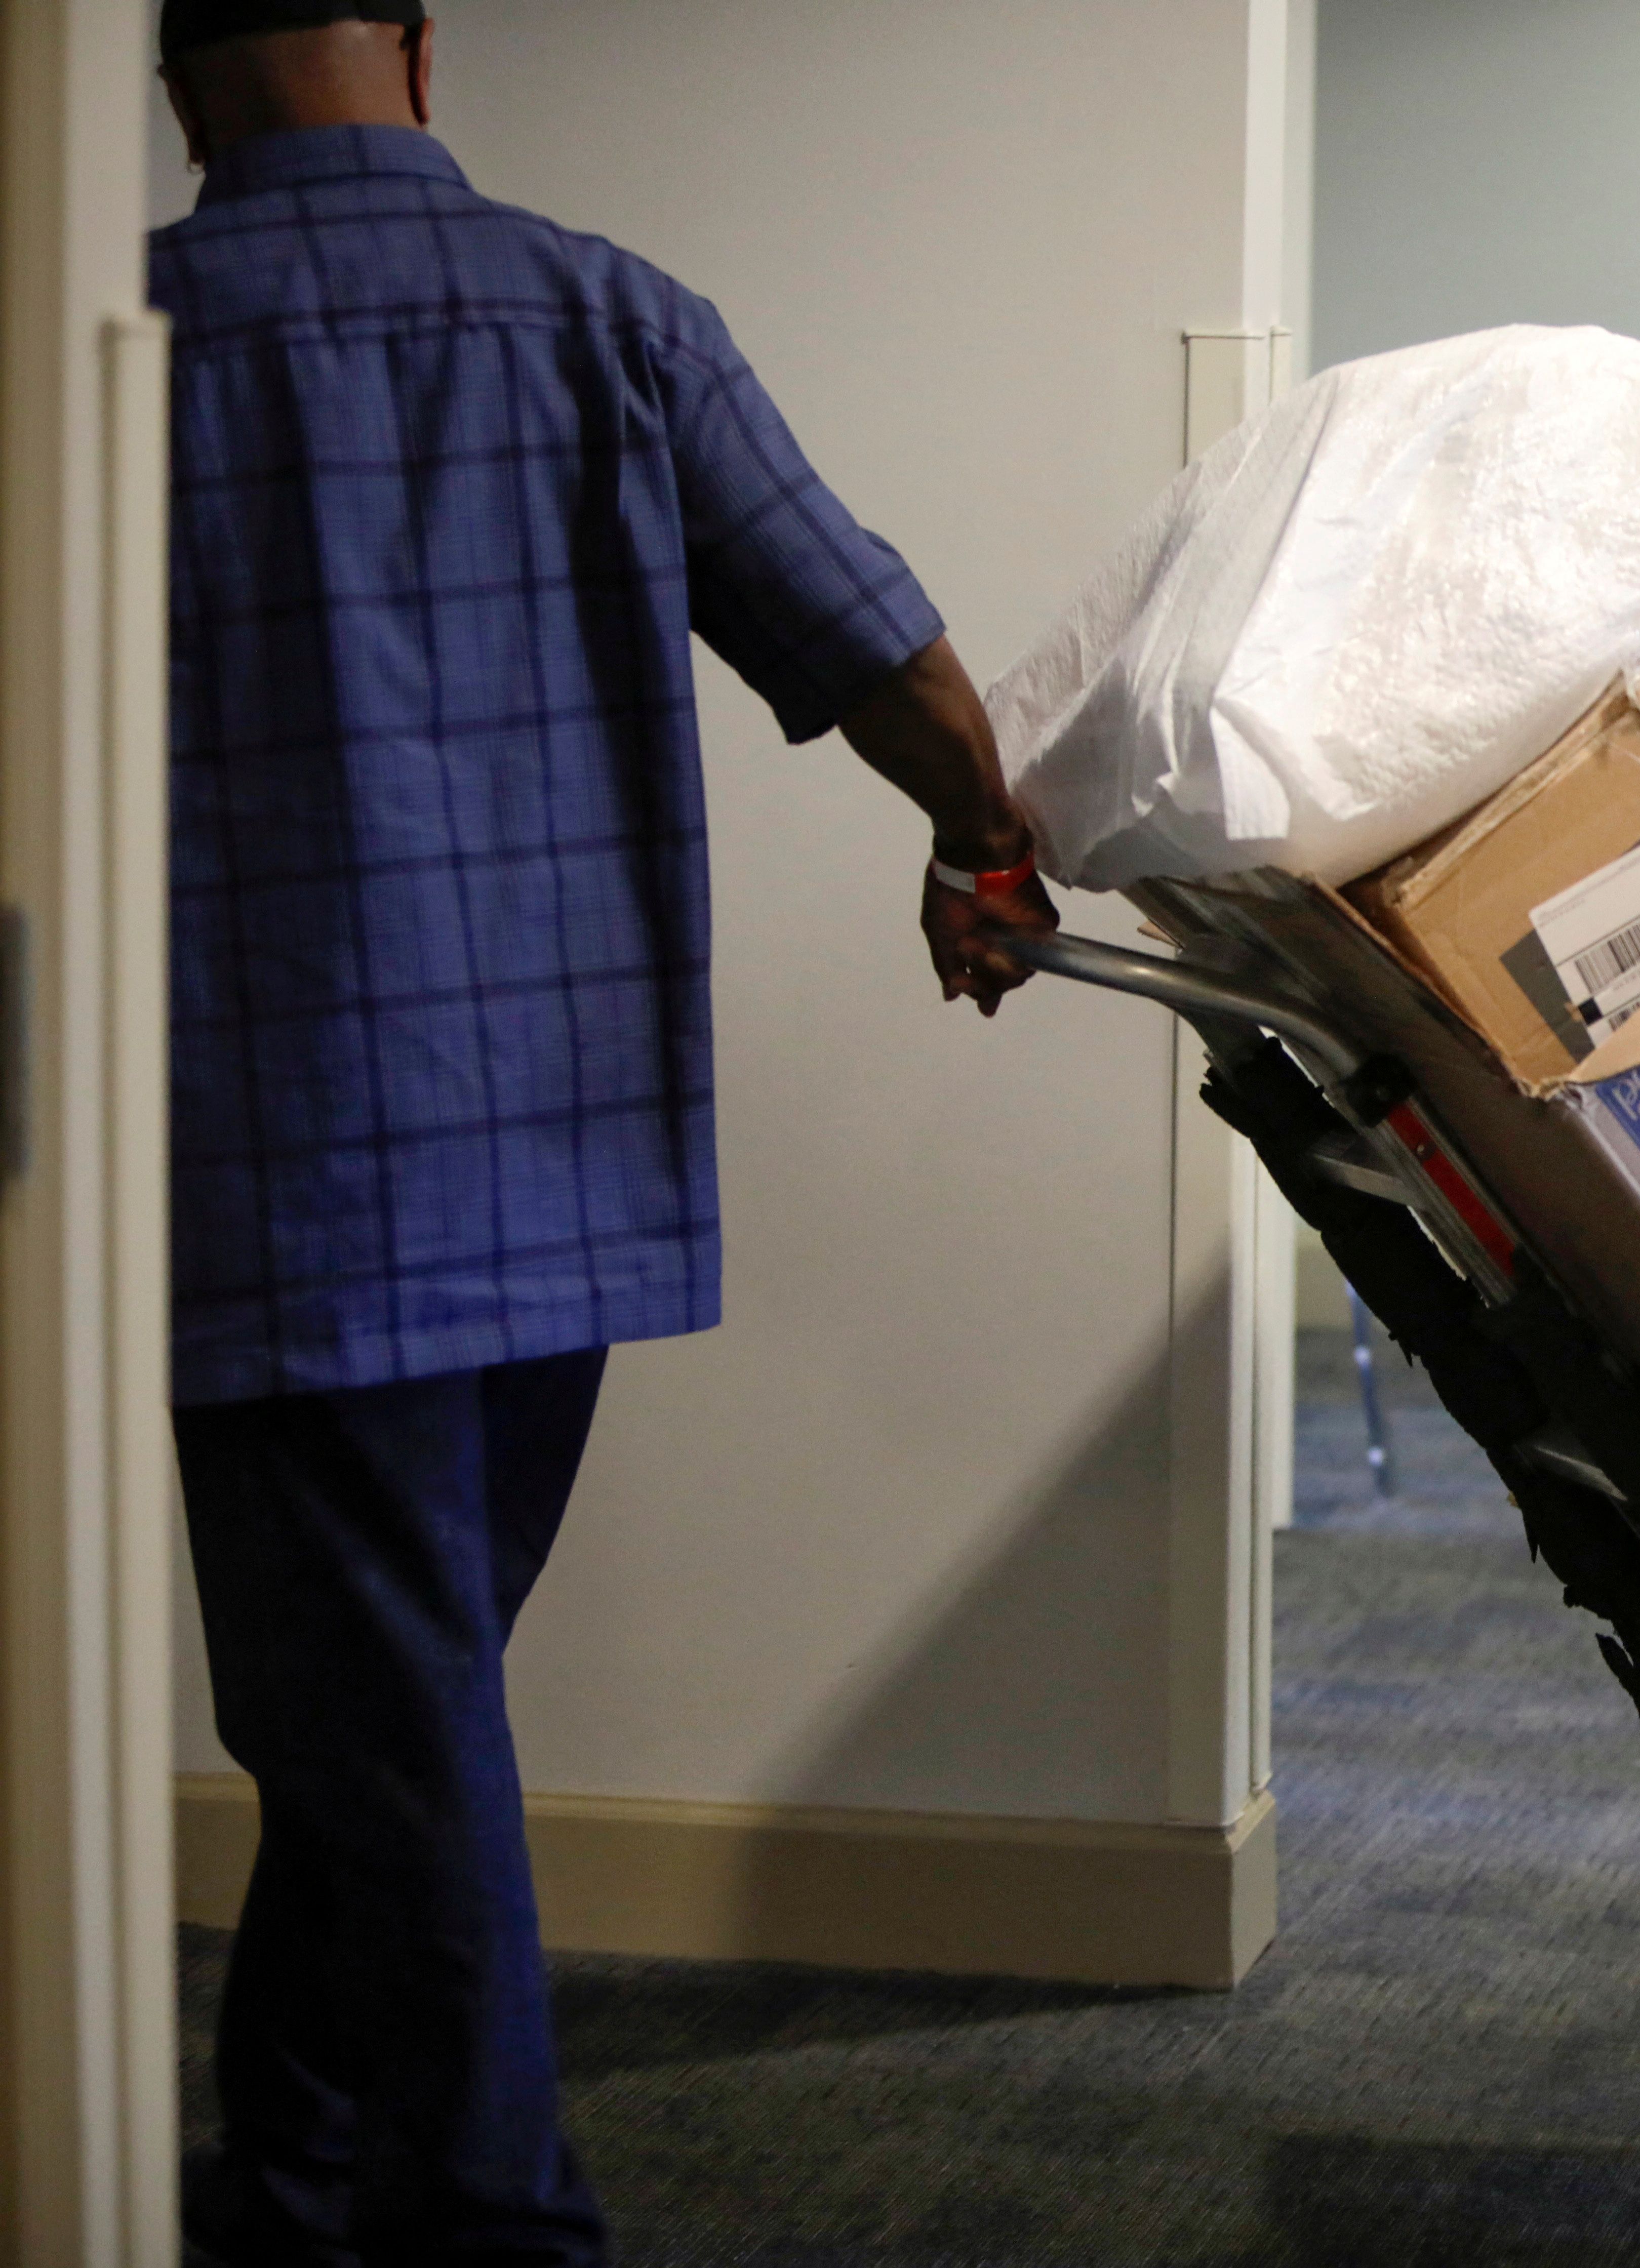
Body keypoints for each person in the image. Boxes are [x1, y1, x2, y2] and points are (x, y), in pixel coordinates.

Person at [150, 5, 1061, 2258]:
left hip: (274, 1172)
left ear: (175, 77)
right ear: (425, 53)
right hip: (567, 1160)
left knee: (380, 1724)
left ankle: (494, 2217)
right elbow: (880, 643)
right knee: (392, 1713)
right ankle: (294, 2173)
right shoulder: (608, 317)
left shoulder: (113, 348)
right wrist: (981, 848)